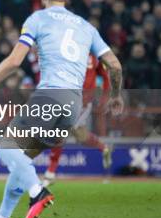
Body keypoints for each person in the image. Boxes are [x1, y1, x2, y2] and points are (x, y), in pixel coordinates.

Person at [0, 0, 123, 218]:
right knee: (23, 159)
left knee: (7, 149)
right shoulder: (86, 27)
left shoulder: (37, 18)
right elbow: (115, 65)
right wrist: (117, 95)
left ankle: (38, 192)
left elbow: (15, 60)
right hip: (72, 106)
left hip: (50, 95)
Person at [43, 53, 113, 186]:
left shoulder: (93, 56)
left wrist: (105, 97)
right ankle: (103, 148)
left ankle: (50, 173)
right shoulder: (69, 50)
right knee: (79, 135)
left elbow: (104, 76)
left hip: (83, 101)